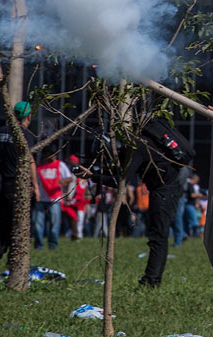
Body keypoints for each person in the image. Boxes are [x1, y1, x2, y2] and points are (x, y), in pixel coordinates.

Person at [76, 117, 193, 287]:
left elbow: (120, 180)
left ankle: (152, 281)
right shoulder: (136, 146)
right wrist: (96, 173)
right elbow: (121, 172)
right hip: (163, 187)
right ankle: (153, 279)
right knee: (159, 235)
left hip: (166, 189)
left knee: (158, 236)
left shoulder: (136, 148)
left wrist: (93, 176)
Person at [0, 101, 41, 271]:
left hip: (0, 186)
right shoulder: (23, 135)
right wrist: (35, 186)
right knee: (20, 227)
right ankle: (11, 263)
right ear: (29, 116)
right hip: (17, 186)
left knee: (5, 222)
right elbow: (30, 162)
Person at [34, 144, 73, 250]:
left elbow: (70, 178)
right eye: (50, 154)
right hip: (41, 199)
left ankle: (53, 246)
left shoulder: (60, 165)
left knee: (54, 224)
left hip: (55, 198)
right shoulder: (39, 167)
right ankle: (38, 246)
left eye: (54, 154)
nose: (52, 156)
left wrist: (62, 182)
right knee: (38, 225)